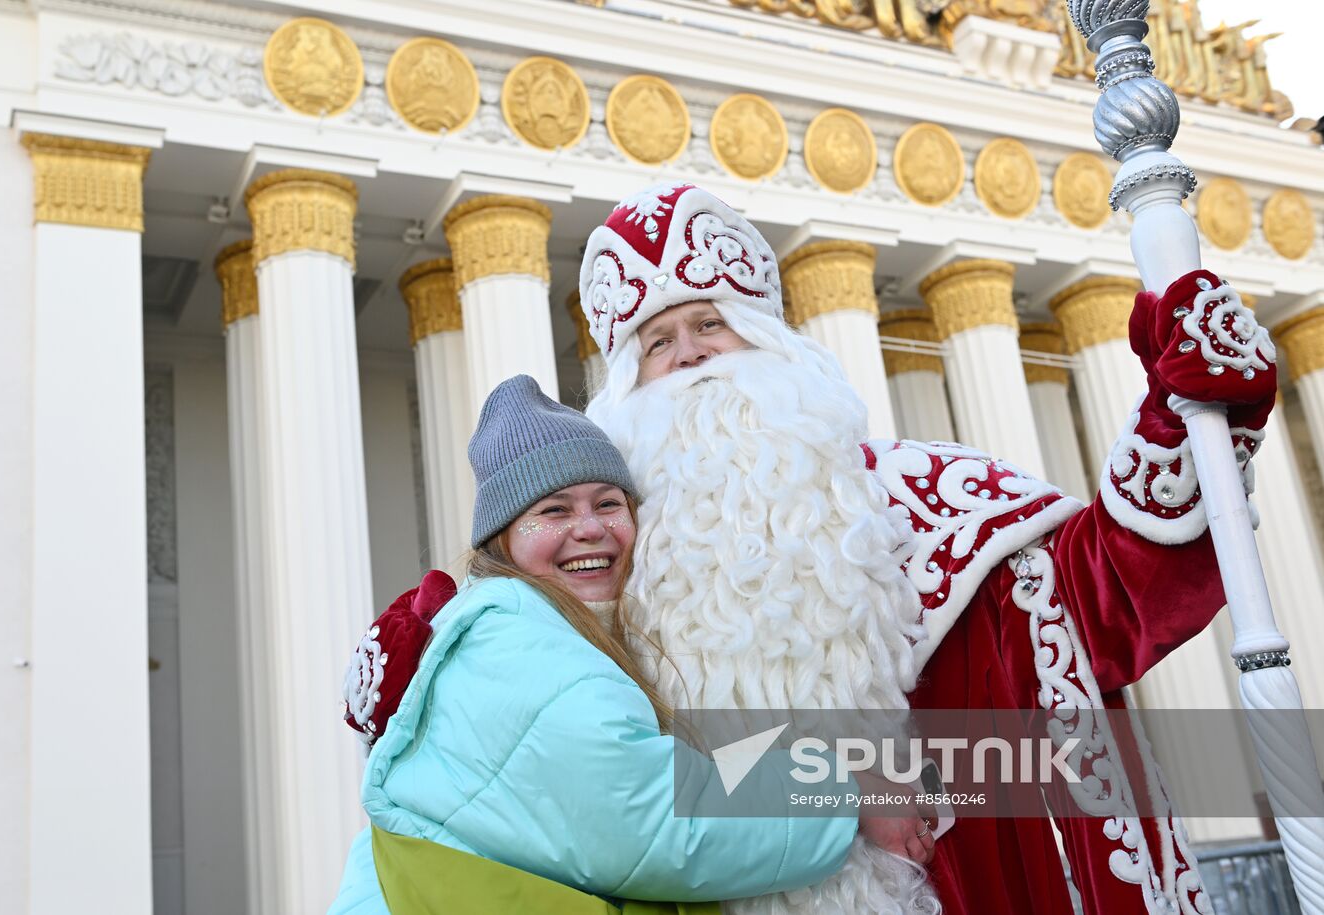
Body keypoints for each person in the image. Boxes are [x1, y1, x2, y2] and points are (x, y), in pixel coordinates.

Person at [576, 183, 1278, 915]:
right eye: (658, 341)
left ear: (767, 340)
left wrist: (1178, 418)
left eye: (710, 323)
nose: (690, 355)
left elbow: (1104, 595)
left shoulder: (921, 496)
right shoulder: (614, 578)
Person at [328, 374, 932, 914]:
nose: (589, 527)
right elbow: (657, 822)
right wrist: (849, 793)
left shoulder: (527, 632)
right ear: (502, 540)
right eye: (553, 509)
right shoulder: (520, 648)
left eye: (609, 503)